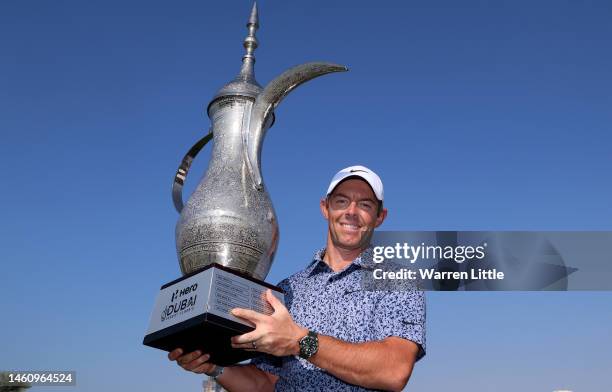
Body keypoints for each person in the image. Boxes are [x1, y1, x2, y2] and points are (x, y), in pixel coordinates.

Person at [169, 165, 426, 391]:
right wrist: (214, 368)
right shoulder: (287, 290)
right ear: (325, 208)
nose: (351, 212)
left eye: (365, 205)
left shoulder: (399, 280)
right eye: (341, 201)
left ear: (380, 217)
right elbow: (266, 382)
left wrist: (300, 341)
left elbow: (393, 370)